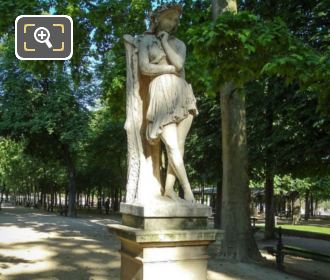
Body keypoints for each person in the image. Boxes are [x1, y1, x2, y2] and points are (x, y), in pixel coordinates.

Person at [137, 5, 198, 203]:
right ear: (158, 19)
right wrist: (169, 68)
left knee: (180, 146)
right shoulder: (146, 40)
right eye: (169, 18)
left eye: (175, 20)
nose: (172, 23)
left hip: (182, 94)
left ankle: (170, 189)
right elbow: (145, 67)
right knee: (171, 145)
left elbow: (180, 65)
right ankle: (188, 191)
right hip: (161, 92)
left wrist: (164, 41)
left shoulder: (179, 44)